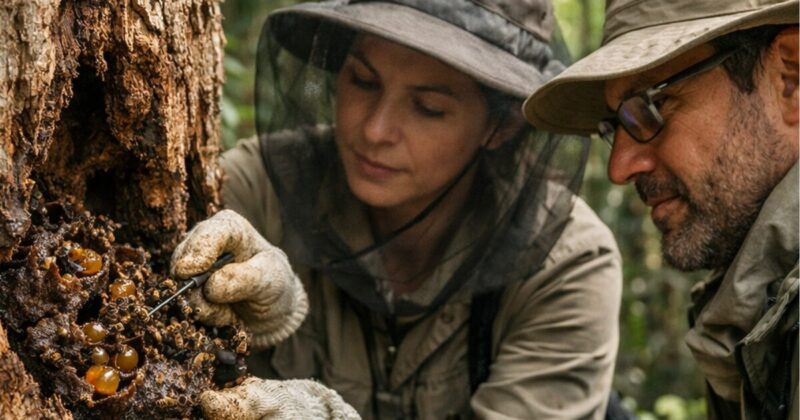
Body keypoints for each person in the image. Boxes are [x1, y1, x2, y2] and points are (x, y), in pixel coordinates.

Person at [171, 0, 622, 418]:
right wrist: (255, 316)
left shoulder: (566, 263)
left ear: (500, 126)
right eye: (363, 82)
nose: (376, 129)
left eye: (428, 108)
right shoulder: (258, 189)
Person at [523, 0, 799, 418]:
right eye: (613, 127)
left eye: (651, 107)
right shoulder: (753, 306)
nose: (620, 167)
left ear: (789, 78)